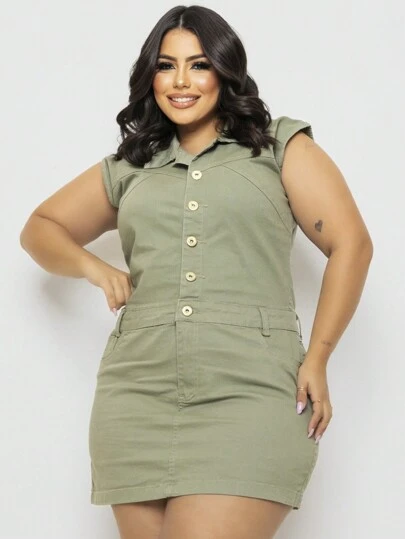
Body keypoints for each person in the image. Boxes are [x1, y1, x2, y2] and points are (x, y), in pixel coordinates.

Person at [19, 4, 373, 539]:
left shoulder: (278, 146)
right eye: (167, 66)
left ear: (225, 72)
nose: (181, 81)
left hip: (251, 390)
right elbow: (40, 228)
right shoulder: (133, 165)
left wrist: (318, 357)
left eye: (199, 65)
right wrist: (93, 267)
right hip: (136, 394)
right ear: (151, 76)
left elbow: (351, 244)